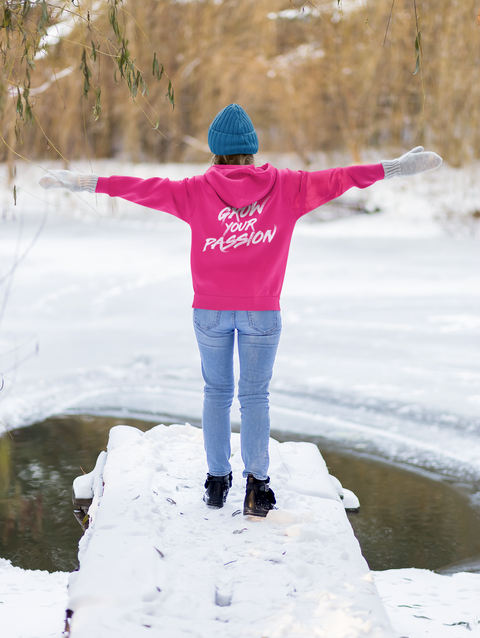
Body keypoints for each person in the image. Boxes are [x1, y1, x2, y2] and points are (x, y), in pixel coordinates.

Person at [39, 103, 442, 517]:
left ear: (215, 151)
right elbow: (342, 178)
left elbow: (139, 187)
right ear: (251, 149)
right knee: (254, 397)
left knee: (216, 393)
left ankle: (216, 482)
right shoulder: (289, 186)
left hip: (209, 311)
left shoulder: (194, 190)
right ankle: (257, 486)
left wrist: (84, 181)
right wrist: (395, 168)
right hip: (262, 313)